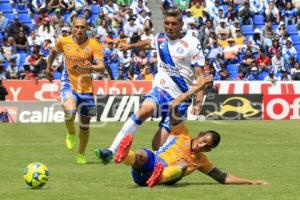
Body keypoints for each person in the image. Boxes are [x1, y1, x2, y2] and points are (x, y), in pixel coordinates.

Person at [95, 8, 206, 164]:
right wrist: (129, 46)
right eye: (167, 23)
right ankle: (111, 150)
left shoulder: (192, 43)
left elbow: (201, 76)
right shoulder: (160, 39)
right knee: (143, 111)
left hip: (180, 99)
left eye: (174, 23)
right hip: (161, 90)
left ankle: (159, 166)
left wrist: (199, 102)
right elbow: (148, 43)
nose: (169, 27)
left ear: (181, 24)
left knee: (157, 145)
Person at [114, 77, 268, 187]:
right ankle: (124, 155)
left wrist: (250, 181)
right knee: (142, 154)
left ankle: (160, 176)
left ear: (209, 149)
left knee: (182, 165)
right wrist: (195, 90)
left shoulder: (201, 160)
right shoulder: (181, 132)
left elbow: (222, 177)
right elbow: (173, 105)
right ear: (200, 135)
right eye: (203, 140)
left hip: (165, 176)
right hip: (148, 168)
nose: (201, 145)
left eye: (205, 145)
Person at [45, 17, 105, 164]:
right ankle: (70, 131)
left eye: (82, 27)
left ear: (87, 28)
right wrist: (48, 68)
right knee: (70, 111)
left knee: (85, 127)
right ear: (72, 27)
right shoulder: (63, 41)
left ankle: (81, 154)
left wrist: (89, 67)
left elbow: (101, 67)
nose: (79, 30)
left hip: (87, 90)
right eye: (77, 27)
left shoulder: (94, 45)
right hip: (69, 84)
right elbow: (53, 53)